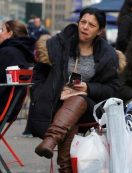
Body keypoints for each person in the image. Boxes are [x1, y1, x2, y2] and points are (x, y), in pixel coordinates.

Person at [31, 7, 120, 172]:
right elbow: (39, 73)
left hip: (88, 106)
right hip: (56, 102)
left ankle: (50, 140)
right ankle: (65, 168)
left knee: (77, 101)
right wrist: (38, 93)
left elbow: (113, 88)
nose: (85, 27)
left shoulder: (107, 54)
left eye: (91, 25)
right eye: (83, 22)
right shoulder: (58, 44)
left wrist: (88, 87)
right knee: (69, 121)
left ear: (99, 31)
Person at [0, 20, 35, 121]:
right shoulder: (20, 52)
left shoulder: (7, 52)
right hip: (12, 109)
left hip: (3, 107)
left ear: (10, 33)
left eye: (2, 30)